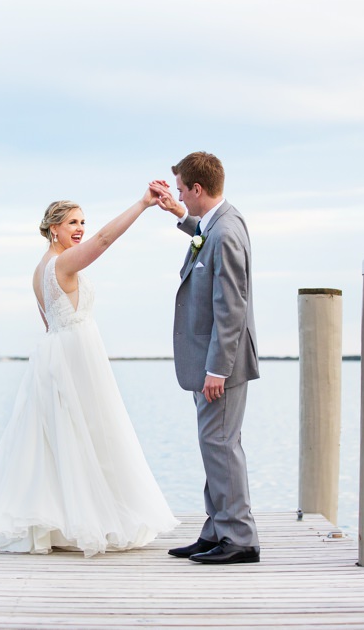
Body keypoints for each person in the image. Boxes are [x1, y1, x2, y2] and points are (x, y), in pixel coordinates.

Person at [0, 192, 179, 557]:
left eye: (82, 221)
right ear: (53, 228)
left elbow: (47, 322)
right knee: (88, 433)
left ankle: (59, 519)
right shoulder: (64, 263)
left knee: (59, 438)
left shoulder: (39, 269)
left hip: (55, 352)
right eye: (72, 222)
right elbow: (105, 240)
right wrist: (142, 205)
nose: (80, 228)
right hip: (77, 355)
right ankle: (86, 519)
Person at [150, 151, 261, 565]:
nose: (179, 193)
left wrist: (217, 368)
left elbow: (231, 306)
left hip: (221, 364)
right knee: (213, 444)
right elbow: (204, 236)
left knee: (221, 444)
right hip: (210, 361)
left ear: (198, 188)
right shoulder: (217, 224)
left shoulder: (228, 231)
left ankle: (240, 538)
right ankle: (217, 529)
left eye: (181, 189)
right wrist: (178, 213)